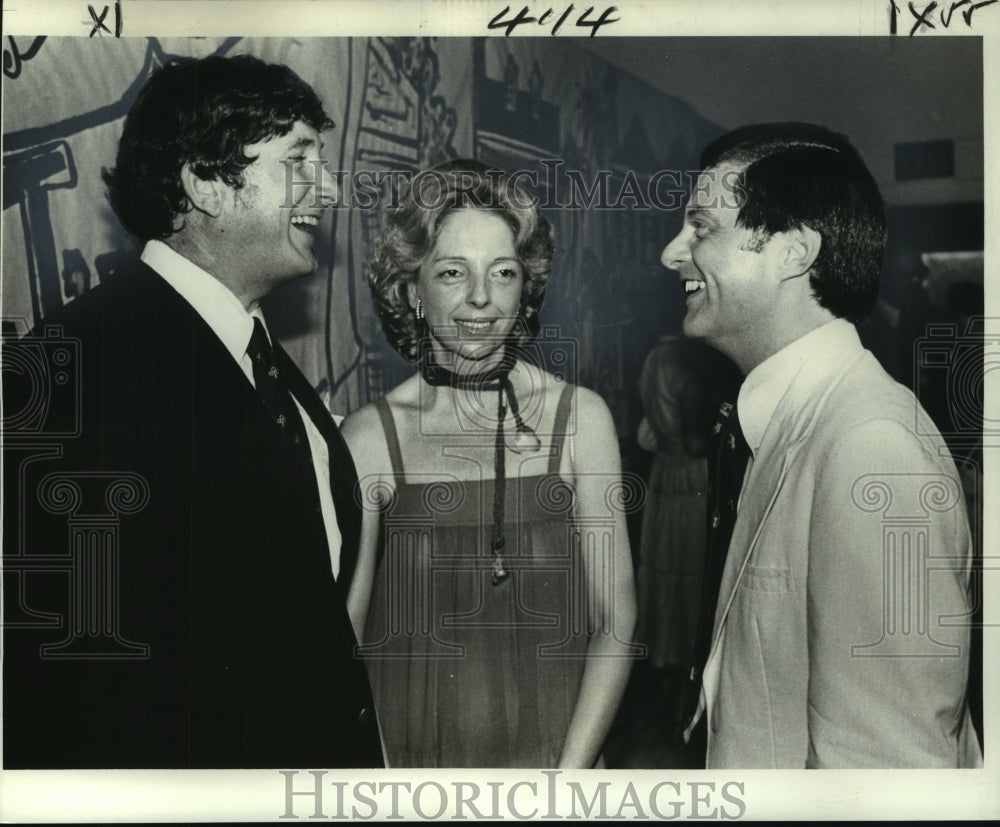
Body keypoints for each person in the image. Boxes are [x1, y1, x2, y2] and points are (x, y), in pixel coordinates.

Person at [2, 55, 383, 768]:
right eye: (298, 160)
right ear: (205, 180)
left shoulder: (263, 359)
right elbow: (58, 678)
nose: (327, 190)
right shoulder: (69, 368)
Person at [660, 122, 981, 768]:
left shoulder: (873, 447)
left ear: (794, 252)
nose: (672, 252)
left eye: (700, 227)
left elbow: (891, 780)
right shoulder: (787, 418)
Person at [342, 160, 637, 768]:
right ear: (410, 290)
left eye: (502, 273)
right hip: (410, 770)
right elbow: (345, 638)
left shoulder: (580, 420)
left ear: (525, 288)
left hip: (562, 765)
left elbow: (617, 618)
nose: (481, 297)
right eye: (453, 272)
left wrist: (568, 783)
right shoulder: (371, 437)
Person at [633, 334, 739, 747]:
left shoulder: (655, 357)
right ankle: (684, 701)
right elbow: (699, 442)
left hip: (665, 474)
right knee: (694, 584)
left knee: (666, 583)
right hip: (695, 482)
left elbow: (647, 430)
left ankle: (663, 700)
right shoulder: (695, 371)